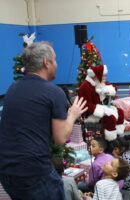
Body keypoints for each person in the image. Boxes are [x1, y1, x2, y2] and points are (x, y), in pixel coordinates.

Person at [0, 42, 87, 200]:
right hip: (34, 173)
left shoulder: (13, 88)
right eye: (55, 59)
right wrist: (72, 115)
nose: (57, 63)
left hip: (7, 172)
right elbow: (60, 138)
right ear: (46, 63)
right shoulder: (53, 92)